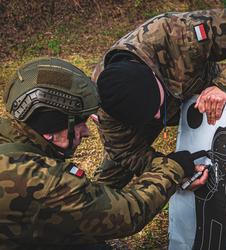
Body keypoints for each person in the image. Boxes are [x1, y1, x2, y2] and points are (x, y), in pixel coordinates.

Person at [0, 57, 208, 250]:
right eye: (79, 122)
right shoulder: (43, 180)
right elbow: (126, 213)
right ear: (49, 131)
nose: (87, 131)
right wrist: (174, 167)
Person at [92, 8, 226, 188]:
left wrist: (225, 85)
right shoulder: (104, 107)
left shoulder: (180, 34)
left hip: (199, 84)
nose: (159, 117)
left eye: (157, 107)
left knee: (221, 142)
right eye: (151, 115)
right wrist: (175, 171)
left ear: (154, 75)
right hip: (135, 119)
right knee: (113, 172)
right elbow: (128, 152)